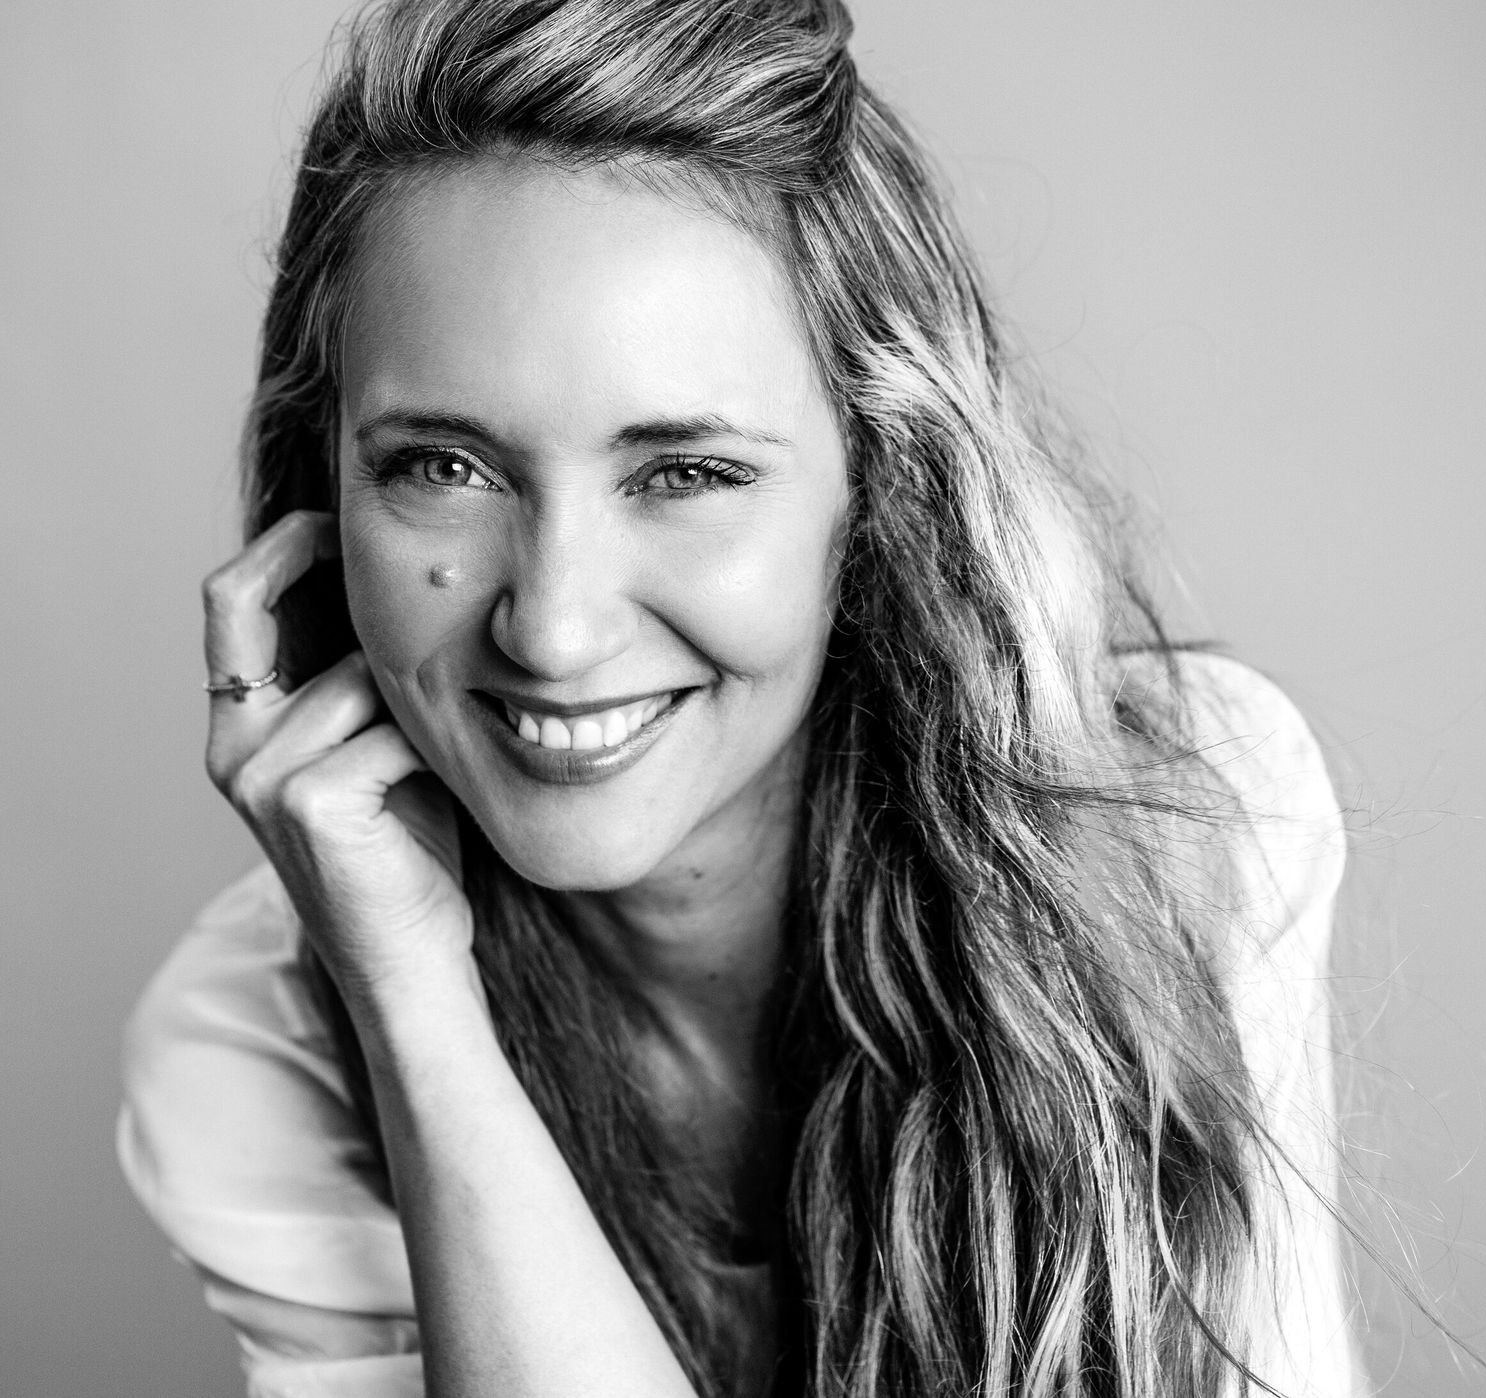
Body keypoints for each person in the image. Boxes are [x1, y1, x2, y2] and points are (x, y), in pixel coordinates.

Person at [117, 0, 1358, 1394]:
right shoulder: (250, 1036)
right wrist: (414, 1007)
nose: (556, 625)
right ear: (324, 490)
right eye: (442, 466)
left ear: (882, 487)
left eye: (687, 473)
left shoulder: (1175, 821)